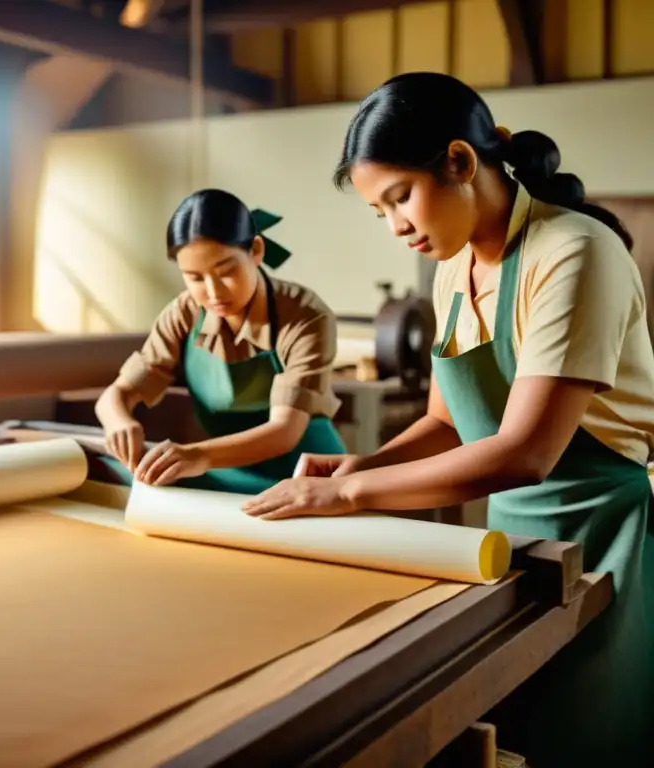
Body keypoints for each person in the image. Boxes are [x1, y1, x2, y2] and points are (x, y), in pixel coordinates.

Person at [242, 72, 654, 766]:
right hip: (514, 545)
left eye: (400, 198)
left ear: (460, 162)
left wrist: (342, 495)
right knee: (518, 731)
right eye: (380, 212)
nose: (397, 226)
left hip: (605, 543)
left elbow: (525, 453)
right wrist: (362, 466)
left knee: (591, 737)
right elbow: (447, 419)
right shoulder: (453, 267)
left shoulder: (573, 253)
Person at [94, 188, 347, 495]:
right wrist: (120, 422)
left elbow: (284, 432)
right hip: (225, 470)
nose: (213, 293)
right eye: (195, 278)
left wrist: (197, 455)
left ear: (255, 250)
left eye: (226, 272)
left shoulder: (305, 315)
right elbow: (116, 394)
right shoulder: (183, 314)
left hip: (307, 475)